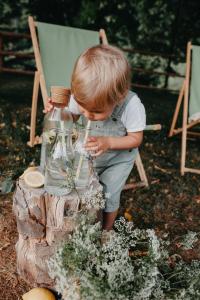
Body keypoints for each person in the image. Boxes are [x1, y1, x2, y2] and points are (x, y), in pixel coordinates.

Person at [45, 44, 146, 234]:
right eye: (84, 108)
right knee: (82, 189)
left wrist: (108, 142)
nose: (88, 115)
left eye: (96, 111)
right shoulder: (82, 98)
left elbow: (136, 138)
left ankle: (105, 231)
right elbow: (71, 117)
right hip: (89, 155)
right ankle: (80, 224)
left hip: (118, 160)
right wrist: (58, 111)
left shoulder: (132, 105)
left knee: (108, 193)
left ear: (119, 96)